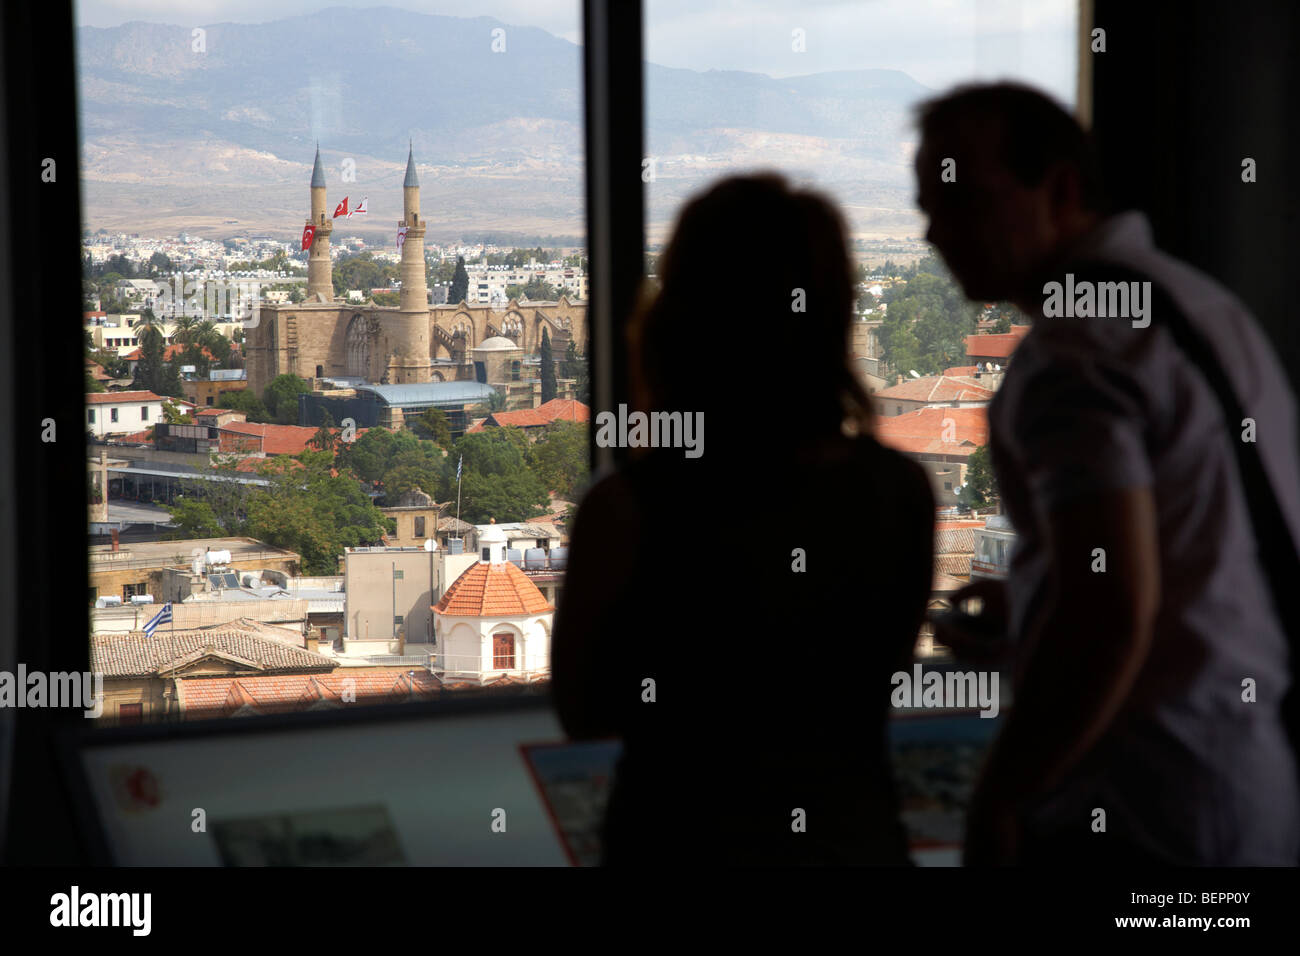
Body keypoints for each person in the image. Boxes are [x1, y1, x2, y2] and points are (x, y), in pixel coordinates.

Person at [919, 82, 1300, 865]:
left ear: (1058, 190)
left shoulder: (1074, 356)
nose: (933, 231)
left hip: (1139, 804)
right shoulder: (1203, 307)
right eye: (928, 204)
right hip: (1241, 777)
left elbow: (1110, 610)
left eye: (960, 200)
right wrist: (1033, 601)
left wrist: (1002, 797)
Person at [551, 173, 935, 865]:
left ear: (681, 319)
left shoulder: (629, 509)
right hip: (852, 839)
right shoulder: (897, 490)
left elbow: (585, 712)